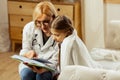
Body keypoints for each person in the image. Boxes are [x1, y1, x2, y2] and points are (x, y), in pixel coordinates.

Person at [19, 1, 59, 80]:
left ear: (53, 17)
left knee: (41, 77)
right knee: (26, 75)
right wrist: (28, 54)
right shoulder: (29, 28)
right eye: (38, 22)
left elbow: (56, 60)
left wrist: (45, 68)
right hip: (31, 63)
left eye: (46, 22)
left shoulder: (59, 32)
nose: (42, 26)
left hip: (49, 65)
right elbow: (25, 49)